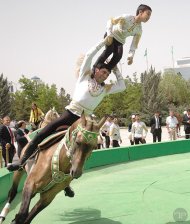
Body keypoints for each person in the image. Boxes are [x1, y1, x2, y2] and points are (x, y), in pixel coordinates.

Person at [7, 38, 126, 175]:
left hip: (83, 121)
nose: (105, 76)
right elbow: (89, 55)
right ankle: (20, 163)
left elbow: (122, 86)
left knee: (85, 145)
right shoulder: (84, 77)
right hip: (68, 115)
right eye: (104, 72)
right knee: (43, 133)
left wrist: (115, 69)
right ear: (96, 70)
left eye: (107, 74)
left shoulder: (105, 89)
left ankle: (68, 176)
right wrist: (104, 42)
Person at [93, 4, 152, 71]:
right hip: (111, 35)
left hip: (120, 41)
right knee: (109, 50)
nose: (149, 17)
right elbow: (110, 21)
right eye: (148, 14)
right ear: (140, 12)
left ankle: (105, 71)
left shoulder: (139, 30)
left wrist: (131, 56)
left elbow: (134, 45)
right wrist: (109, 35)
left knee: (118, 56)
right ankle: (94, 68)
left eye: (150, 16)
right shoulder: (127, 17)